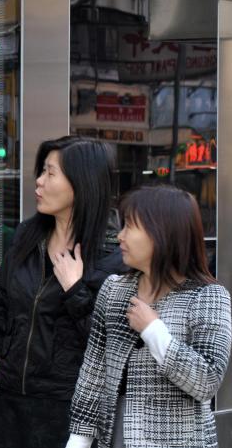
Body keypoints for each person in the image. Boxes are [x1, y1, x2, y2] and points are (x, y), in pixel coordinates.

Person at [0, 136, 125, 447]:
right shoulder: (26, 238)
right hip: (11, 407)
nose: (39, 182)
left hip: (69, 414)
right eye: (41, 171)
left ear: (81, 184)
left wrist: (76, 291)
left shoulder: (113, 256)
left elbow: (111, 347)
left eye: (50, 173)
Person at [66, 186, 232, 448]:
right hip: (116, 438)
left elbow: (207, 382)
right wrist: (78, 442)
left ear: (162, 233)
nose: (119, 236)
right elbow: (92, 375)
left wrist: (154, 331)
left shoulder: (208, 296)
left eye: (130, 226)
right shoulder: (114, 289)